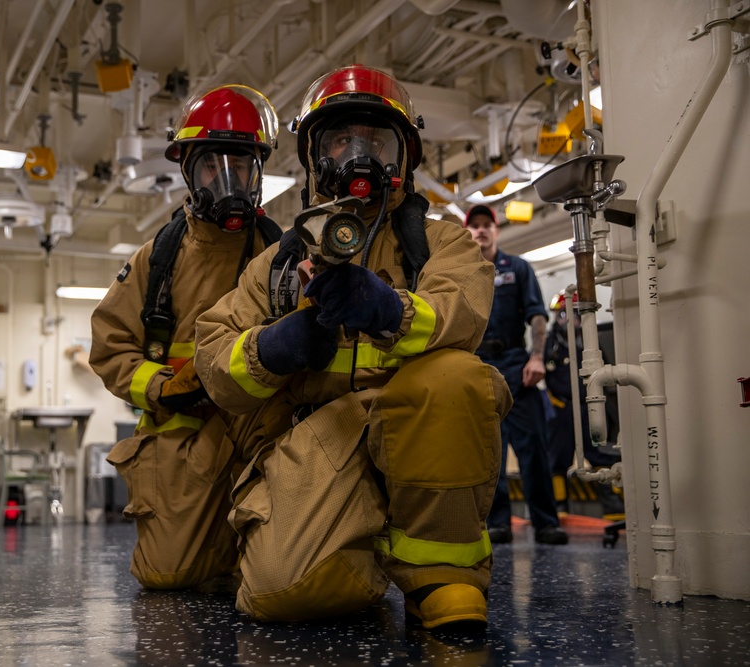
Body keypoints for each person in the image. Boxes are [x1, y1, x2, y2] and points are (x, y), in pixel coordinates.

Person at [194, 64, 512, 629]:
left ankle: (442, 576)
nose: (358, 153)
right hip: (327, 433)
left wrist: (389, 309)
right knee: (282, 594)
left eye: (376, 139)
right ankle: (362, 550)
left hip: (417, 419)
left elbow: (462, 315)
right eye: (341, 139)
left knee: (457, 377)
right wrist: (279, 345)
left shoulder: (440, 242)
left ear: (404, 157)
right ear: (316, 157)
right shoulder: (278, 265)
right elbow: (215, 363)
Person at [89, 85, 292, 590]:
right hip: (185, 432)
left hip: (262, 429)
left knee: (285, 574)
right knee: (168, 574)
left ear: (257, 171)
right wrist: (160, 386)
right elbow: (110, 348)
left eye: (241, 165)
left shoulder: (282, 251)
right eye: (211, 166)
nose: (228, 179)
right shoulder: (156, 259)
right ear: (189, 170)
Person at [464, 204, 568, 545]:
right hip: (476, 367)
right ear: (468, 232)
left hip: (515, 364)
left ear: (496, 231)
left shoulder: (517, 268)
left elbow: (538, 316)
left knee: (534, 448)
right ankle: (497, 523)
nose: (480, 230)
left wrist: (537, 358)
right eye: (474, 225)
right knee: (486, 451)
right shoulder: (460, 274)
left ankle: (546, 523)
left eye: (486, 225)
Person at [544, 290, 624, 518]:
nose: (569, 320)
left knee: (598, 454)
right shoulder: (551, 344)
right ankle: (559, 507)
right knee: (558, 460)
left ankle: (612, 507)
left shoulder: (589, 343)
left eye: (574, 315)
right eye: (563, 315)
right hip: (561, 410)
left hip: (588, 407)